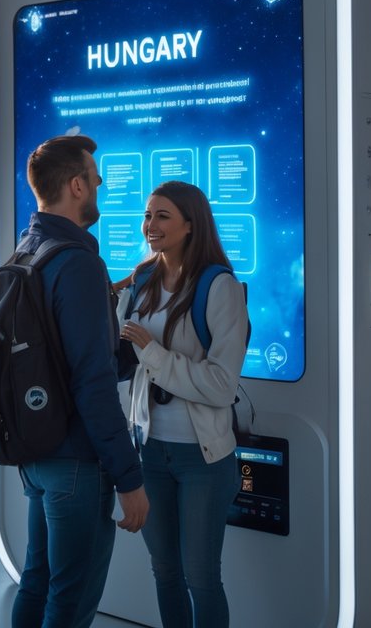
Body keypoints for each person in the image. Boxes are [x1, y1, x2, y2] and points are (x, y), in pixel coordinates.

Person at [11, 134, 148, 628]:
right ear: (75, 185)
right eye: (95, 179)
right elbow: (93, 383)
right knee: (70, 601)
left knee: (37, 582)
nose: (101, 186)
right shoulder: (79, 262)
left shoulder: (27, 251)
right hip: (76, 460)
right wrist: (129, 477)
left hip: (35, 453)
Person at [117, 181, 248, 628]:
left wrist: (152, 353)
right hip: (150, 453)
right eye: (148, 215)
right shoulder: (142, 281)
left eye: (162, 216)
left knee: (201, 578)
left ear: (191, 225)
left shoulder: (219, 287)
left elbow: (220, 385)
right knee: (165, 572)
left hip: (203, 459)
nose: (150, 225)